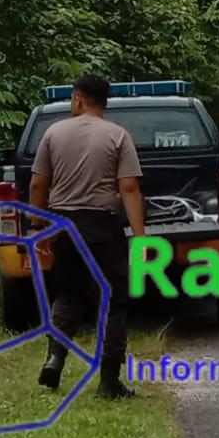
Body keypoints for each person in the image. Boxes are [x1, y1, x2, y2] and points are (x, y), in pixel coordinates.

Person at [30, 74, 145, 399]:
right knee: (113, 302)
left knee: (67, 295)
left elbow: (38, 184)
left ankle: (55, 357)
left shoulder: (53, 132)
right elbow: (129, 188)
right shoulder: (117, 136)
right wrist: (141, 236)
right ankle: (109, 381)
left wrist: (39, 227)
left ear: (78, 98)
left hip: (63, 226)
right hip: (102, 227)